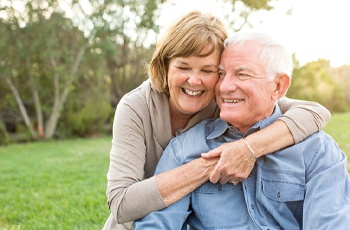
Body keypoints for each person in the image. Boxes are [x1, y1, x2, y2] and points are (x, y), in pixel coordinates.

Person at [103, 11, 331, 229]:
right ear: (165, 66)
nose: (194, 80)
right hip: (134, 222)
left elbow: (315, 113)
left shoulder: (226, 101)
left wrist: (247, 148)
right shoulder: (136, 106)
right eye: (183, 67)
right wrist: (215, 162)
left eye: (208, 70)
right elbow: (121, 203)